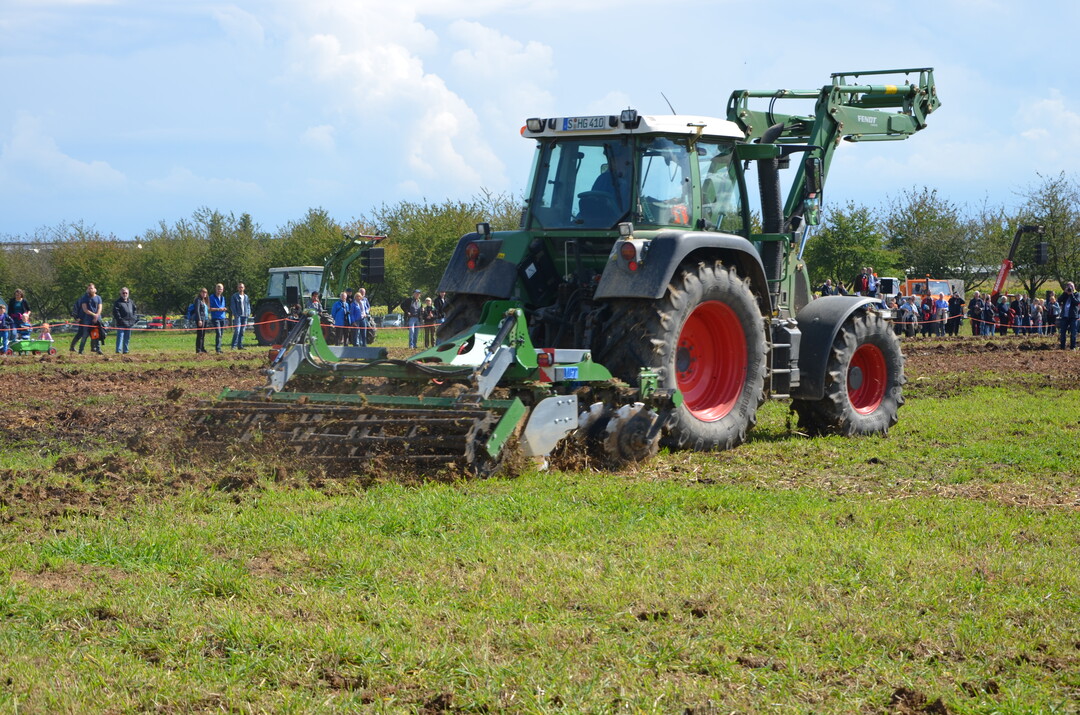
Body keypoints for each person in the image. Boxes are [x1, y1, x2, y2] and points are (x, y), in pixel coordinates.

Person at [75, 283, 104, 354]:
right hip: (87, 319)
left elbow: (100, 307)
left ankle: (98, 349)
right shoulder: (85, 298)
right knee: (85, 335)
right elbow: (85, 309)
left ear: (95, 289)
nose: (90, 290)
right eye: (89, 288)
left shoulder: (98, 298)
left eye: (91, 288)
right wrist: (94, 315)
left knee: (96, 334)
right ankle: (81, 350)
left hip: (97, 319)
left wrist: (97, 316)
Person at [111, 287, 138, 354]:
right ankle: (118, 351)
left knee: (127, 338)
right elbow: (116, 312)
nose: (125, 294)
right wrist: (120, 320)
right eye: (123, 293)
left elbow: (134, 310)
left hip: (129, 323)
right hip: (121, 323)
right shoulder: (118, 302)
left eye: (126, 293)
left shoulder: (131, 302)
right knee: (120, 337)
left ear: (128, 293)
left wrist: (134, 318)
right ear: (120, 293)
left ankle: (126, 350)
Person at [230, 282, 251, 350]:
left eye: (242, 287)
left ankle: (240, 345)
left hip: (245, 316)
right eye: (239, 287)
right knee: (237, 330)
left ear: (244, 288)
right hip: (238, 316)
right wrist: (236, 314)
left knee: (242, 331)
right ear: (237, 288)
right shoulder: (234, 296)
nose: (241, 288)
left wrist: (248, 313)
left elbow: (248, 305)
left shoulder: (246, 297)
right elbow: (233, 306)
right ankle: (233, 346)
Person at [1058, 282, 1079, 350]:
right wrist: (1065, 293)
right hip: (1064, 316)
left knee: (1073, 332)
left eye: (1071, 286)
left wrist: (1071, 294)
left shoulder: (1077, 294)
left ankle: (1072, 347)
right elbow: (1059, 300)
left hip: (1073, 316)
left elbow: (1076, 302)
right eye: (1068, 286)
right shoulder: (1065, 294)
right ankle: (1062, 347)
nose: (1070, 288)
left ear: (1074, 287)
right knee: (1063, 332)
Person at [209, 283, 228, 353]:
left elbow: (223, 306)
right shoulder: (211, 297)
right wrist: (218, 309)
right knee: (218, 333)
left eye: (221, 289)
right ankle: (218, 349)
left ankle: (219, 348)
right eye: (218, 289)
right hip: (215, 318)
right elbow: (209, 308)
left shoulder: (223, 298)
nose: (219, 290)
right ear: (216, 289)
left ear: (222, 290)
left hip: (222, 317)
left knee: (221, 334)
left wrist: (224, 309)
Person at [192, 288, 211, 354]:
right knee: (200, 334)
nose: (204, 294)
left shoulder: (205, 300)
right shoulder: (198, 300)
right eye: (203, 292)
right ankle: (198, 349)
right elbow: (197, 310)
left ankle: (202, 348)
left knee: (203, 335)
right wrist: (199, 320)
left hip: (205, 319)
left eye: (205, 292)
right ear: (200, 293)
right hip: (200, 319)